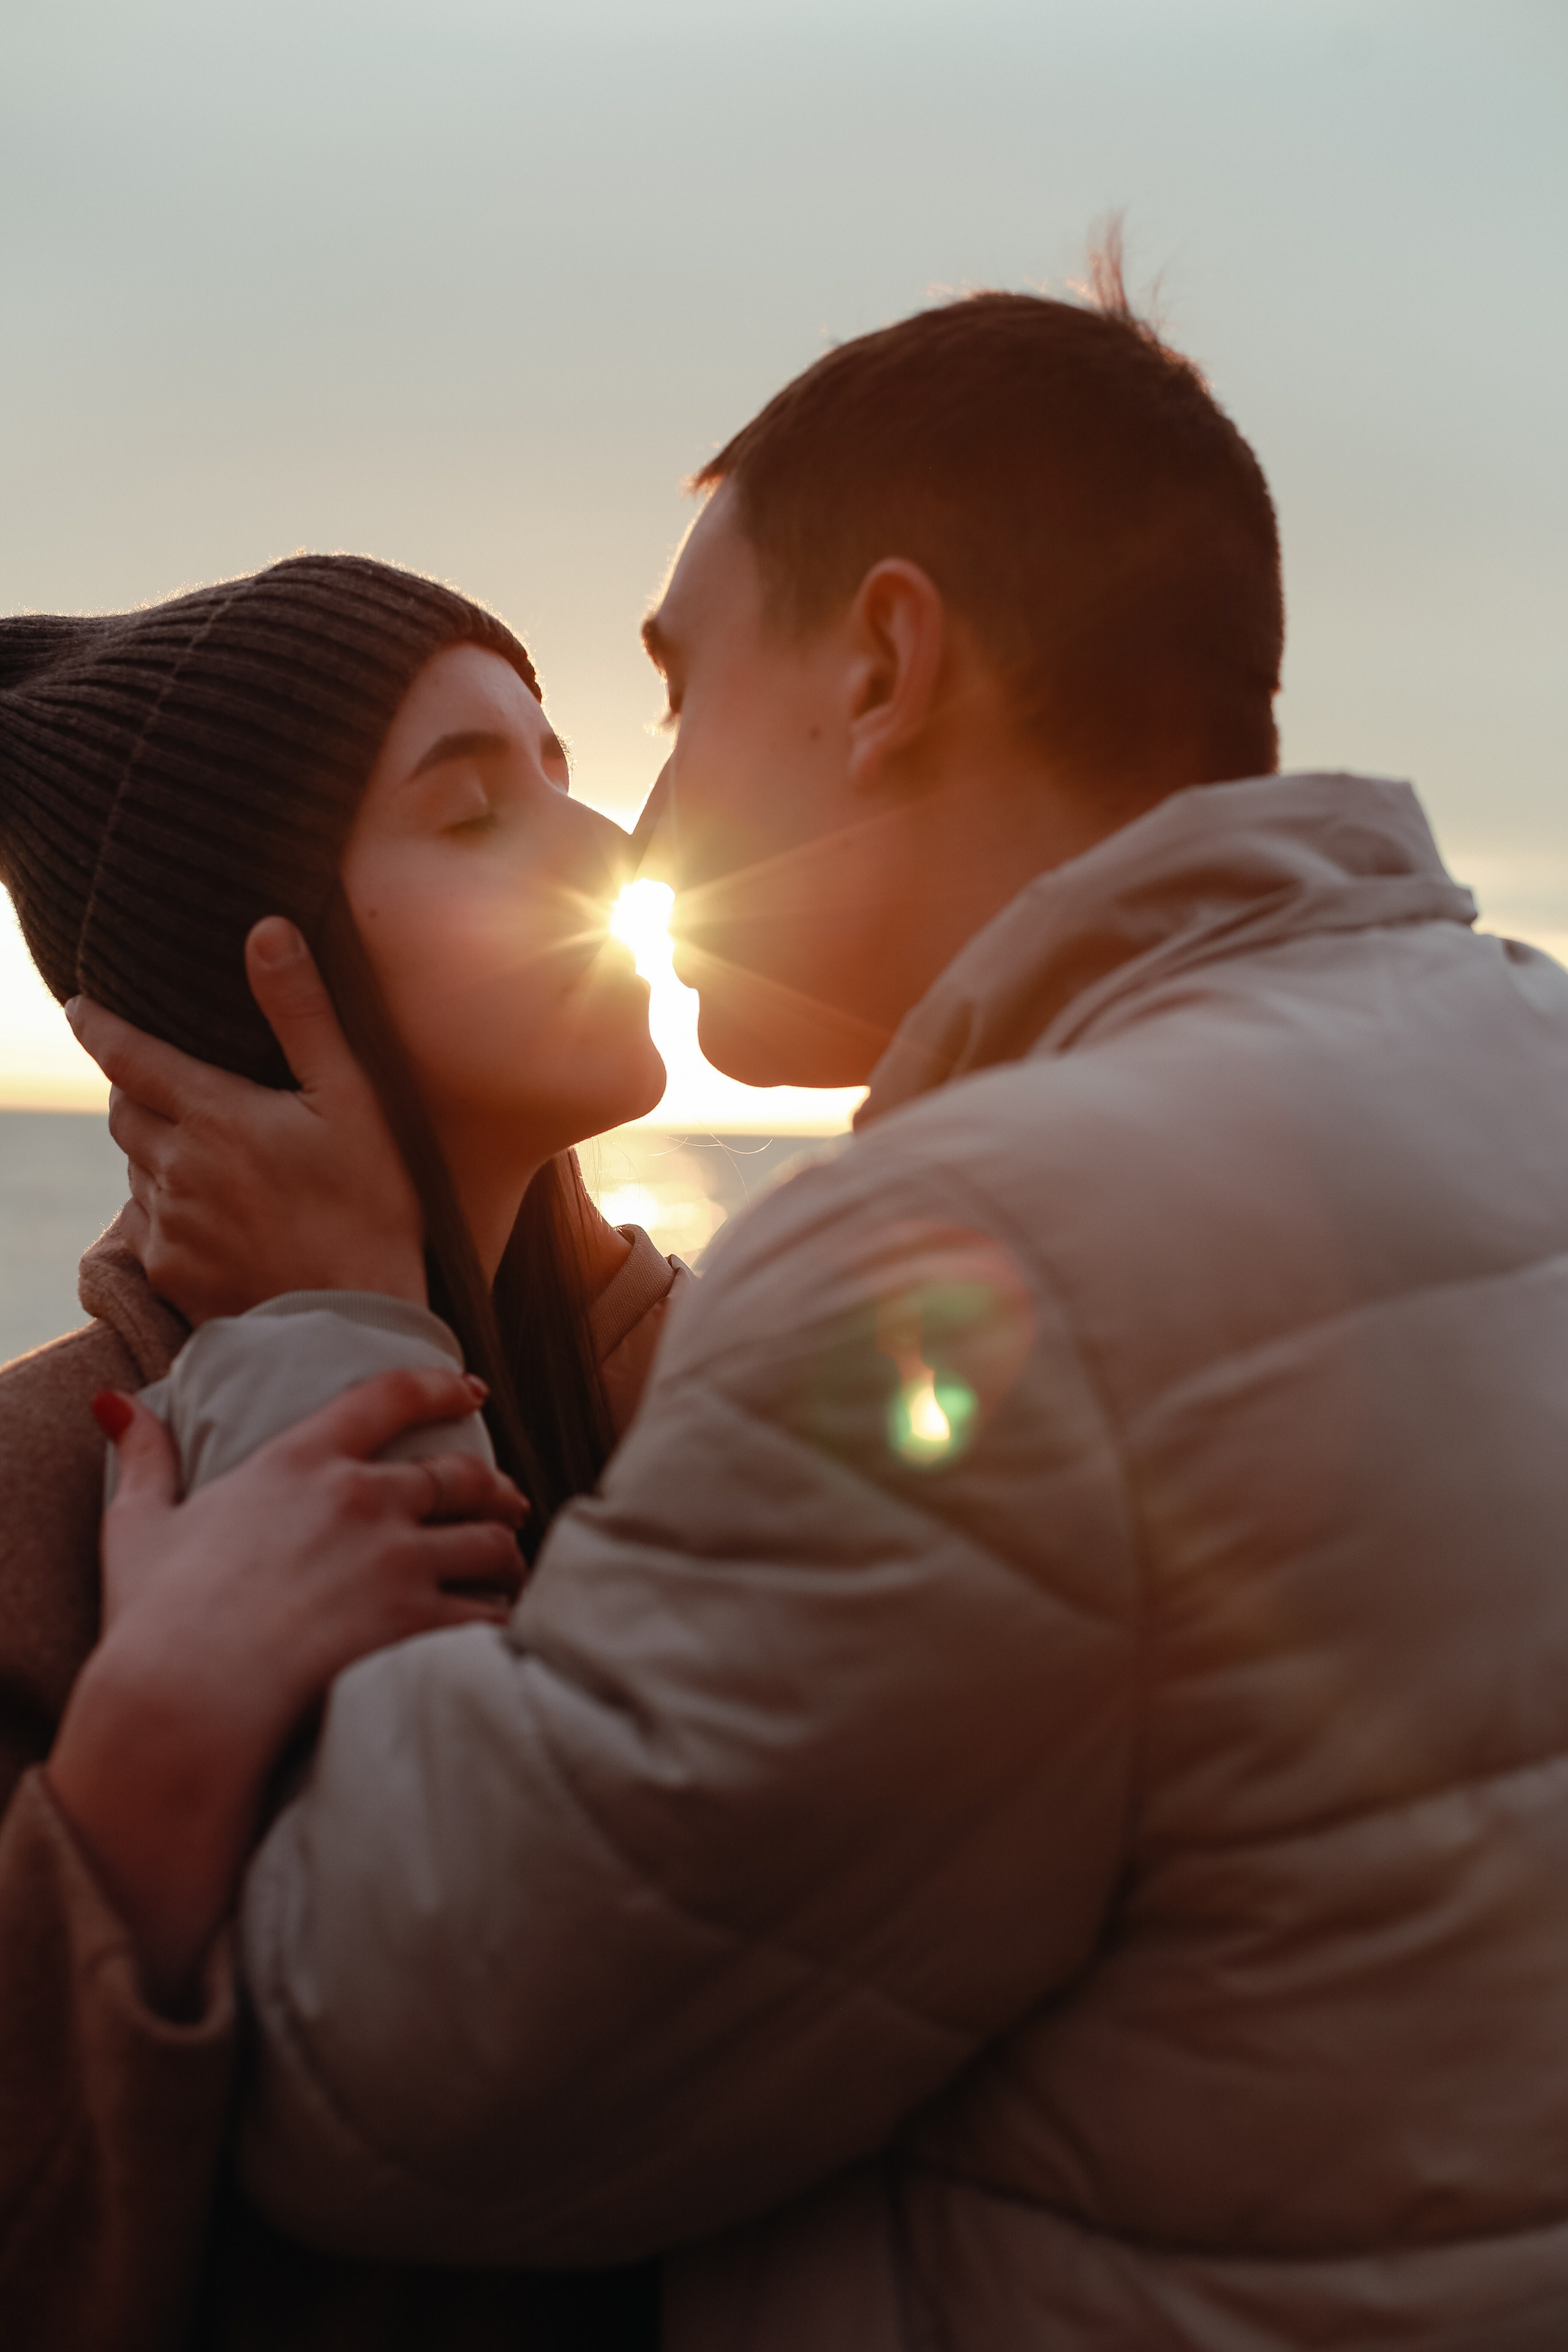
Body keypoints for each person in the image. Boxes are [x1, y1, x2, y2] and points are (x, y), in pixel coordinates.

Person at [72, 261, 1568, 2348]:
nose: (643, 835)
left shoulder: (990, 1256)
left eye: (669, 705)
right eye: (480, 804)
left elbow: (397, 2072)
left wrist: (332, 1327)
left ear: (883, 666)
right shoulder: (1513, 1059)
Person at [0, 554, 678, 2348]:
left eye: (555, 763)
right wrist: (135, 1799)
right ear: (254, 969)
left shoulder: (731, 1391)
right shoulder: (39, 1498)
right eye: (473, 809)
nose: (603, 839)